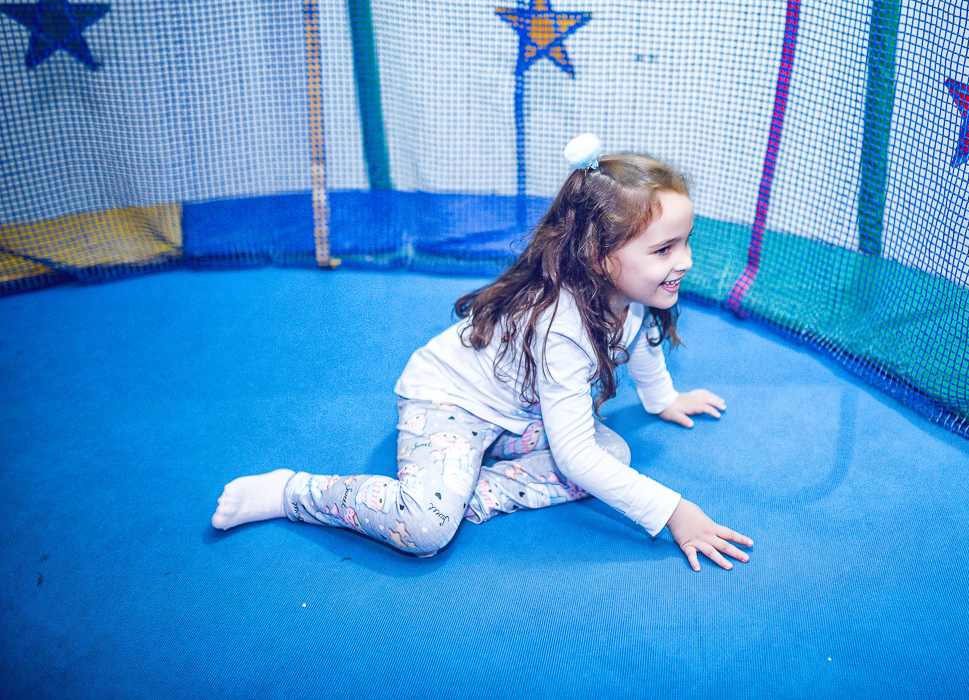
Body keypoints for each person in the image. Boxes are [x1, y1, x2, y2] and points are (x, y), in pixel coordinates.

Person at [212, 134, 753, 571]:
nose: (685, 261)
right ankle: (294, 492)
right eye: (664, 249)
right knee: (423, 530)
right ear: (597, 254)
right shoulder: (561, 328)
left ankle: (463, 491)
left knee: (613, 454)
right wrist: (673, 511)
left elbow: (641, 342)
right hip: (448, 403)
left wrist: (662, 400)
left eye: (685, 241)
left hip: (520, 414)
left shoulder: (630, 297)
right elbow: (573, 459)